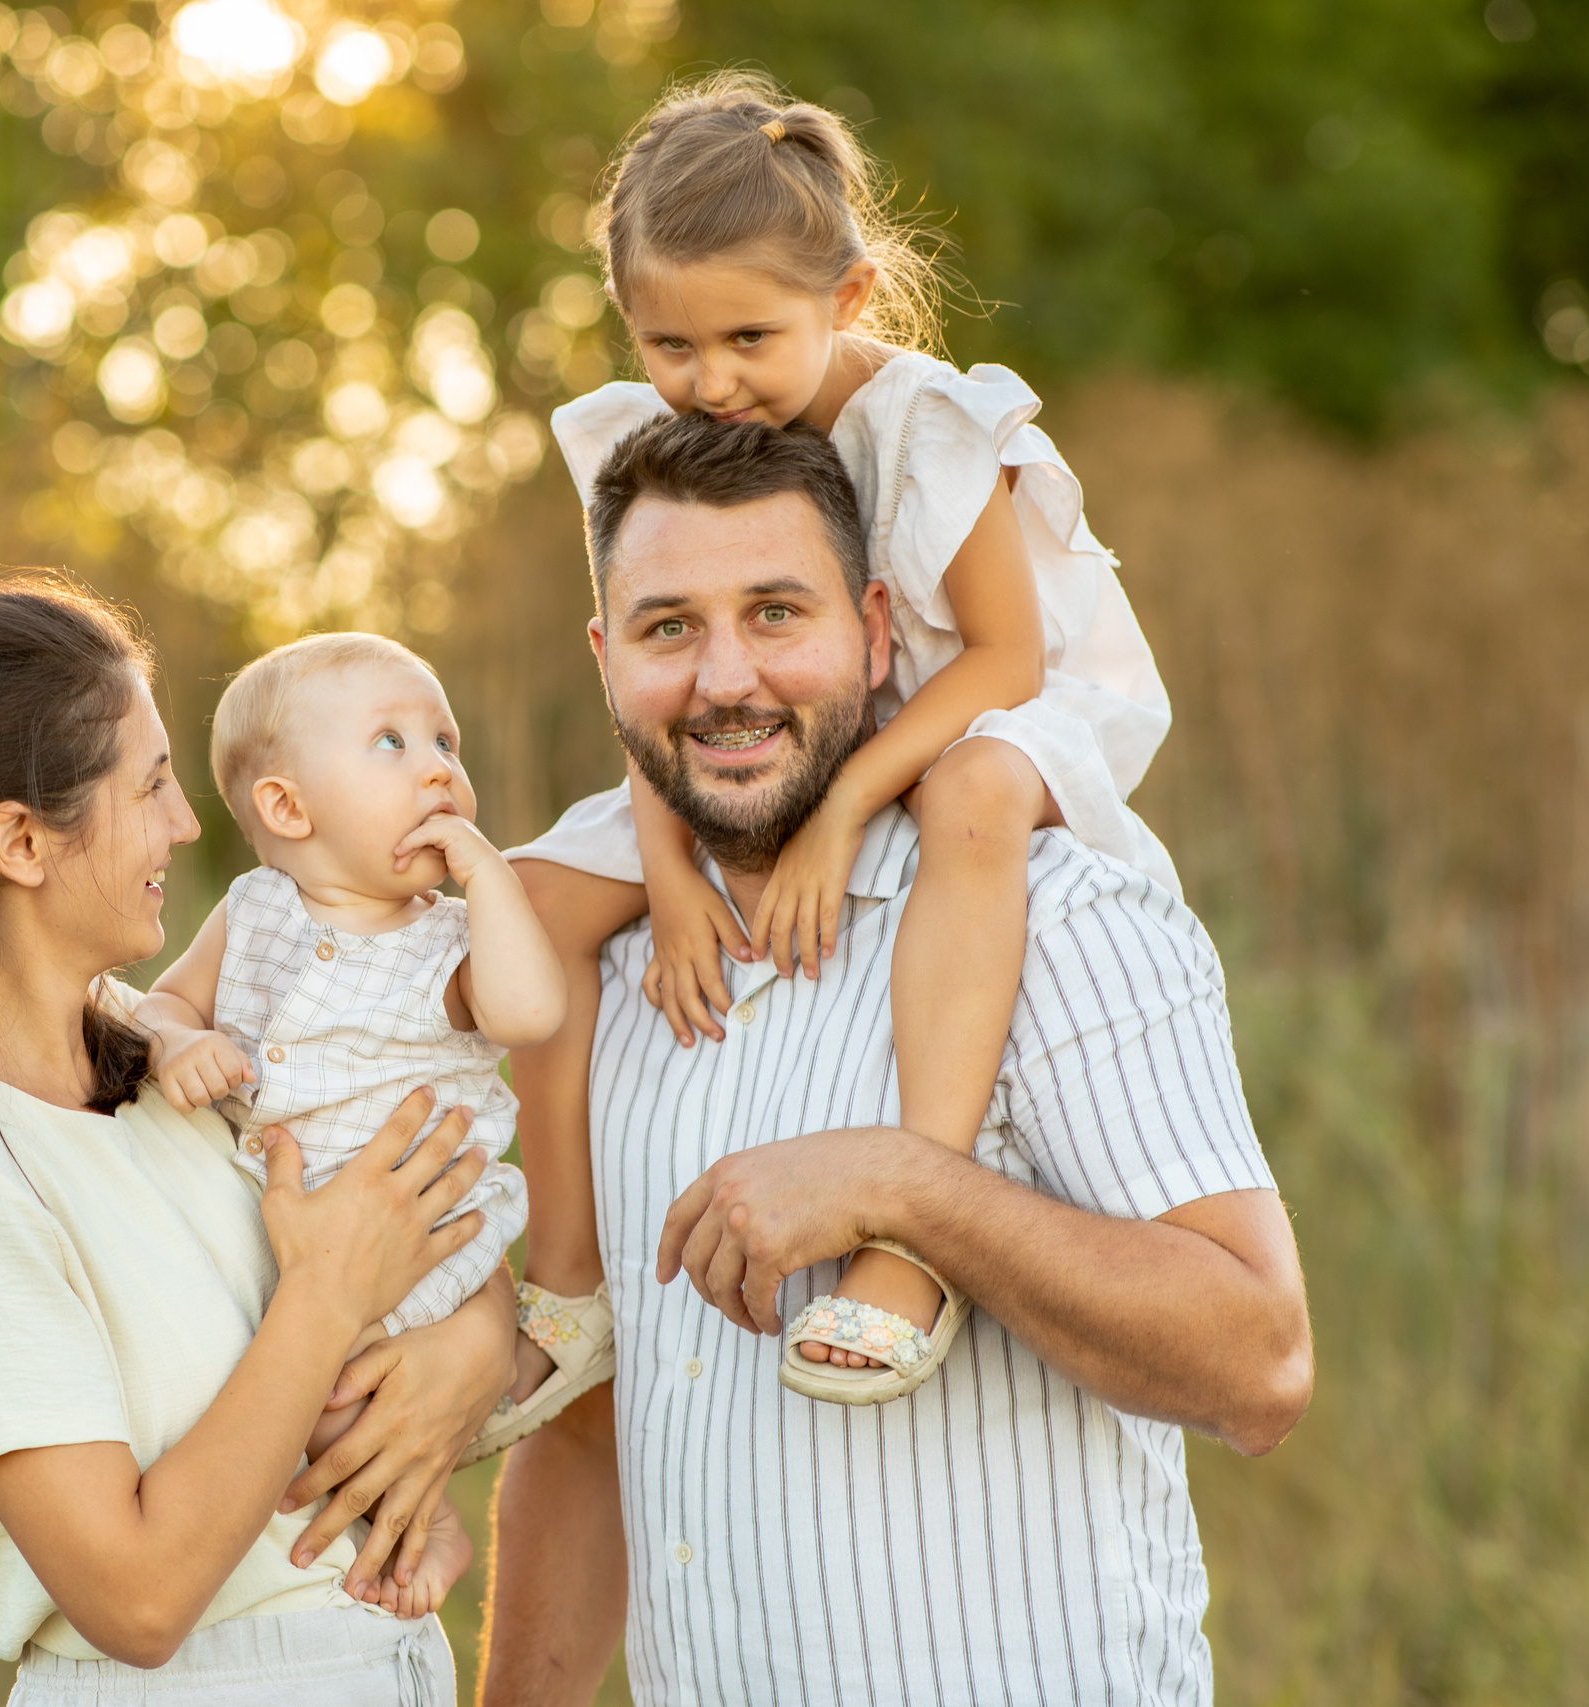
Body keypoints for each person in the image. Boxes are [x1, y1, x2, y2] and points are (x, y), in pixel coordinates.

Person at [479, 413, 1312, 1705]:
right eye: (667, 627)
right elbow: (597, 1431)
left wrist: (907, 1185)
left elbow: (1259, 1363)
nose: (724, 679)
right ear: (605, 659)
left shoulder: (1058, 916)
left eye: (775, 613)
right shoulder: (593, 975)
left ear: (874, 633)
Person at [501, 72, 1179, 1416]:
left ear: (851, 299)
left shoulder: (930, 425)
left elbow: (1003, 654)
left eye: (751, 336)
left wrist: (843, 806)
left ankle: (913, 1227)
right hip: (777, 727)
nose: (712, 383)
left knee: (975, 791)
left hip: (966, 708)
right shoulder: (655, 443)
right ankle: (572, 1288)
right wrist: (673, 864)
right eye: (669, 345)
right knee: (528, 907)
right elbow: (643, 685)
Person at [0, 577, 517, 1702]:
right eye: (155, 785)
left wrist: (466, 1354)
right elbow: (133, 1600)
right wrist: (324, 1298)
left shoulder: (177, 1058)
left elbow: (422, 1231)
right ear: (21, 840)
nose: (185, 822)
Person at [134, 633, 587, 1618]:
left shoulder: (451, 939)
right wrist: (176, 1046)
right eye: (390, 742)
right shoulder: (251, 910)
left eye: (446, 742)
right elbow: (163, 1004)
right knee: (310, 1388)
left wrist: (488, 878)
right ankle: (421, 1518)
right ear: (287, 808)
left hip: (424, 1243)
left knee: (362, 1395)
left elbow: (526, 1013)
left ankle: (426, 1517)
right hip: (293, 1232)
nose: (437, 766)